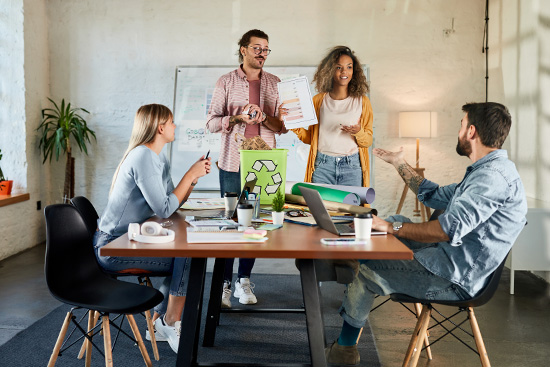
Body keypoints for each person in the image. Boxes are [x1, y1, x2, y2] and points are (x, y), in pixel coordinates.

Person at [325, 102, 527, 365]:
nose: (459, 129)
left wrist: (388, 228)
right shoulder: (485, 172)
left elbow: (446, 229)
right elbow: (432, 195)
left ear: (472, 132)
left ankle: (345, 350)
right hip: (448, 260)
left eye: (462, 124)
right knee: (397, 219)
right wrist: (399, 163)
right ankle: (354, 256)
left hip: (455, 278)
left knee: (367, 271)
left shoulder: (492, 179)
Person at [93, 104, 211, 354]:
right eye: (171, 122)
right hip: (113, 246)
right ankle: (171, 321)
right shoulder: (142, 157)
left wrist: (192, 179)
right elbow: (166, 209)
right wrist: (189, 175)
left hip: (130, 239)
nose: (175, 126)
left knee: (188, 255)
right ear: (160, 128)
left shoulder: (158, 156)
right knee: (189, 257)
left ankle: (160, 321)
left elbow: (170, 201)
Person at [206, 29, 286, 308]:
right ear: (243, 49)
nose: (262, 53)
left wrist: (265, 118)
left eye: (266, 49)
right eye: (256, 48)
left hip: (262, 163)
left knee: (253, 221)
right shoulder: (226, 81)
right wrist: (238, 117)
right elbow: (211, 123)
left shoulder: (275, 84)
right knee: (231, 222)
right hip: (232, 161)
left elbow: (282, 127)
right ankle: (225, 284)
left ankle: (244, 280)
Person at [292, 46, 373, 188]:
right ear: (330, 70)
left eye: (349, 67)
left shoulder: (362, 102)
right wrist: (293, 123)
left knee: (352, 209)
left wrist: (358, 132)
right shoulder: (318, 100)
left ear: (354, 71)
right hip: (322, 166)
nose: (344, 72)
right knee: (320, 209)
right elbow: (310, 138)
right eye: (338, 67)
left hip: (352, 167)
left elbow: (367, 141)